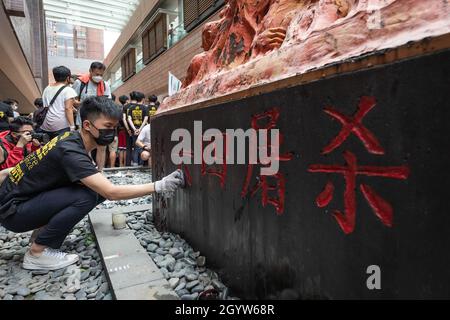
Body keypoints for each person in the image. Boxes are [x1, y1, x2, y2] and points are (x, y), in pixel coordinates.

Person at [0, 96, 184, 271]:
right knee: (88, 195)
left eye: (114, 127)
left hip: (15, 202)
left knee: (93, 189)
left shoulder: (69, 139)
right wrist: (160, 185)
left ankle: (41, 237)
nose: (111, 133)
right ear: (87, 125)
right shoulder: (71, 151)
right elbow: (111, 192)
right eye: (107, 126)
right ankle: (37, 253)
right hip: (13, 212)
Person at [72, 61, 112, 171]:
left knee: (102, 146)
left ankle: (100, 171)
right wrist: (84, 103)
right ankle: (87, 170)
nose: (99, 77)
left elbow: (108, 102)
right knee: (85, 145)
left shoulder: (105, 85)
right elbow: (72, 101)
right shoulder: (80, 83)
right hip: (84, 119)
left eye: (101, 75)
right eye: (96, 74)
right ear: (90, 71)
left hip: (100, 119)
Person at [39, 66, 77, 139]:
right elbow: (68, 108)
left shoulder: (47, 88)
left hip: (46, 124)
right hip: (61, 125)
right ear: (68, 78)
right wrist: (72, 126)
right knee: (61, 146)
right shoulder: (68, 90)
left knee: (49, 147)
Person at [127, 91, 148, 166]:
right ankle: (141, 164)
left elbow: (129, 119)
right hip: (142, 129)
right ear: (142, 99)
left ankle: (135, 164)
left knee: (135, 147)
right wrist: (140, 129)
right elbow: (145, 119)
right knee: (142, 147)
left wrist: (134, 129)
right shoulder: (145, 108)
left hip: (134, 130)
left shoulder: (131, 108)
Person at [118, 95, 130, 167]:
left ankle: (120, 164)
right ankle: (125, 164)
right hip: (126, 130)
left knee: (121, 148)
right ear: (126, 100)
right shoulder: (127, 108)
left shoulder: (118, 109)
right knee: (125, 148)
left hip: (119, 131)